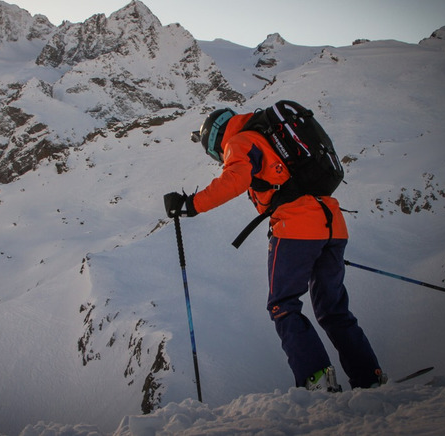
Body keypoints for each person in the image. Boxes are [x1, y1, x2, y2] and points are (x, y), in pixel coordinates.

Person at [165, 106, 386, 391]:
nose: (219, 157)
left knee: (283, 305)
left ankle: (316, 381)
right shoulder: (271, 135)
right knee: (333, 309)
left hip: (296, 228)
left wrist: (190, 205)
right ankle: (371, 378)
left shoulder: (240, 141)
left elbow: (235, 180)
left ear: (215, 141)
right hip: (333, 224)